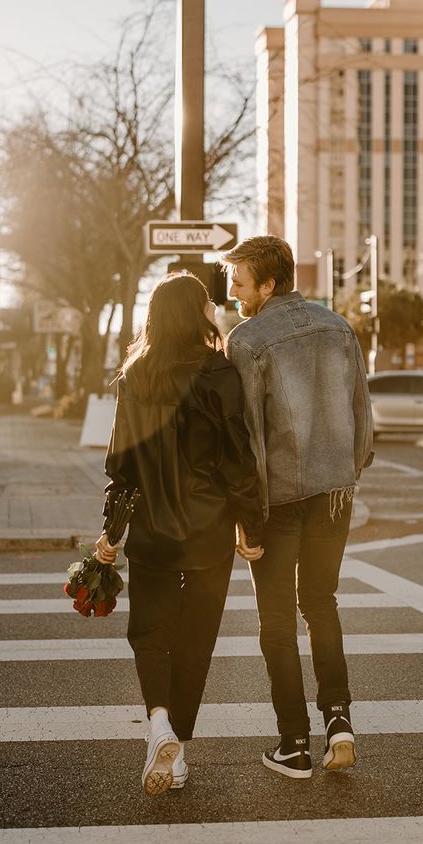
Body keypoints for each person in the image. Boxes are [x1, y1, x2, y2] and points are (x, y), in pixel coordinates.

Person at [95, 272, 264, 797]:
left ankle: (161, 727)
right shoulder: (219, 373)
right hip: (209, 529)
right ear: (197, 313)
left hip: (151, 530)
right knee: (197, 638)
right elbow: (238, 461)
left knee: (149, 633)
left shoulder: (134, 376)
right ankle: (177, 746)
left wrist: (111, 531)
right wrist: (251, 524)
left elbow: (120, 465)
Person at [222, 235, 374, 779]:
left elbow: (248, 439)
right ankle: (339, 719)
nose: (232, 291)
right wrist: (349, 471)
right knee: (322, 602)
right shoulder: (338, 327)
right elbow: (362, 413)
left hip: (278, 497)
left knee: (277, 623)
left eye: (239, 282)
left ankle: (294, 743)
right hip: (336, 492)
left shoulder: (246, 340)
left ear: (268, 284)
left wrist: (248, 517)